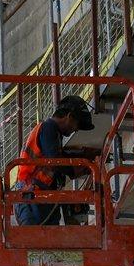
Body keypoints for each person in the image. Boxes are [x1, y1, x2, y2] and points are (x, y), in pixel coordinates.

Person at [14, 95, 99, 226]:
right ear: (69, 116)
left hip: (40, 196)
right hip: (33, 197)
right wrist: (78, 168)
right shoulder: (48, 128)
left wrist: (83, 158)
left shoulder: (53, 134)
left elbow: (58, 157)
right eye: (77, 124)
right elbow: (56, 160)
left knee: (44, 242)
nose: (76, 129)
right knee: (35, 240)